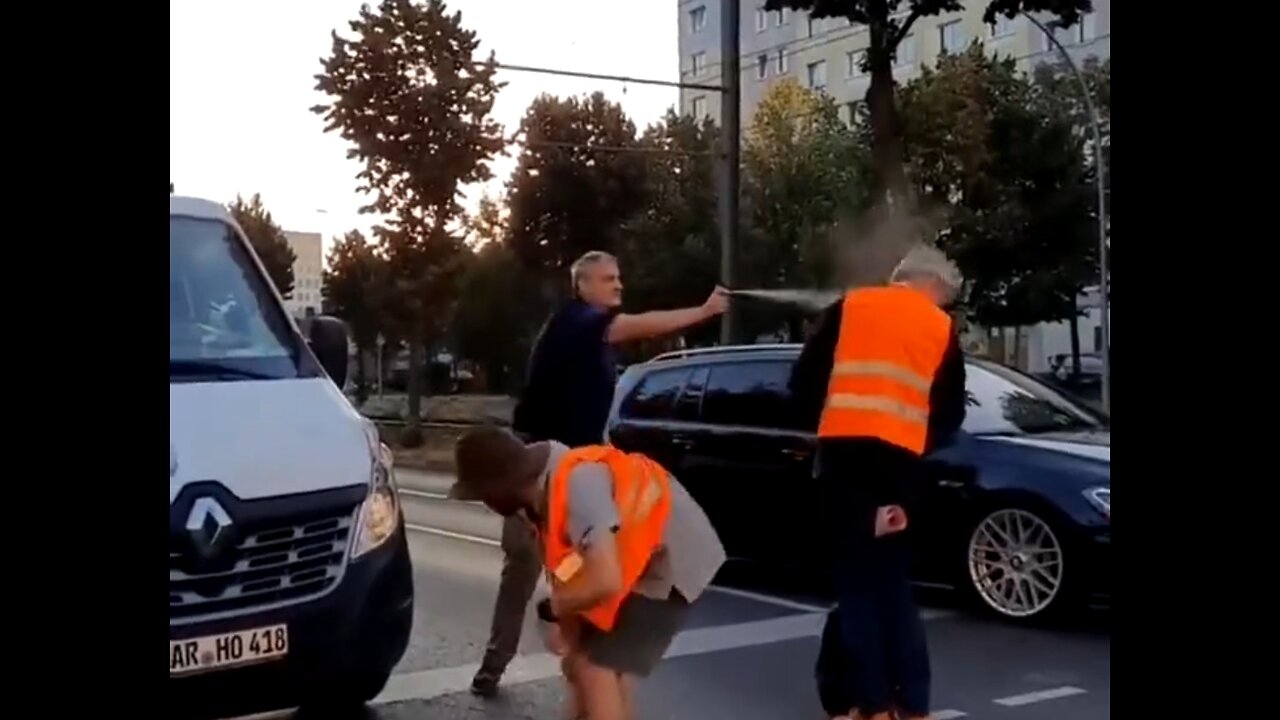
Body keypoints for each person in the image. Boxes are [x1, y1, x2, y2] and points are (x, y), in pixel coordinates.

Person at [470, 250, 729, 698]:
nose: (618, 286)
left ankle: (578, 658)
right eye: (608, 279)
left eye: (618, 278)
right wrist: (704, 312)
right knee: (528, 570)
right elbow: (637, 324)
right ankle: (503, 664)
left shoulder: (584, 337)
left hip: (566, 474)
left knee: (573, 584)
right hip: (533, 476)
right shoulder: (577, 322)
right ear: (583, 286)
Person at [790, 244, 968, 720]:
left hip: (844, 468)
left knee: (857, 588)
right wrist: (913, 443)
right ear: (931, 284)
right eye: (944, 297)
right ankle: (913, 704)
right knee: (892, 586)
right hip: (899, 473)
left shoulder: (849, 306)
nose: (943, 306)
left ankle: (870, 704)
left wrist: (825, 428)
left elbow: (803, 383)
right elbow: (950, 412)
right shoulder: (939, 328)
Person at [449, 426, 726, 720]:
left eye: (482, 494)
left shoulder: (577, 486)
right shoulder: (538, 496)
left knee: (596, 669)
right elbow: (571, 572)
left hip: (670, 561)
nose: (485, 504)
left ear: (500, 486)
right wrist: (571, 638)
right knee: (585, 667)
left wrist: (555, 609)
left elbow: (604, 579)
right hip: (631, 561)